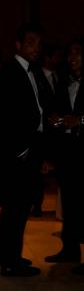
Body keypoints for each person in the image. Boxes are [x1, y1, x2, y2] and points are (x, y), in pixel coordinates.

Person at [0, 23, 53, 276]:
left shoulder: (36, 71)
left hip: (32, 147)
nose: (36, 48)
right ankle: (10, 261)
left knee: (20, 206)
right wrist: (20, 151)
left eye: (39, 44)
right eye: (30, 43)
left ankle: (6, 253)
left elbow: (41, 107)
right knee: (15, 207)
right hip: (17, 152)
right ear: (18, 45)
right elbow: (4, 116)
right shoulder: (8, 72)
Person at [45, 38, 84, 271]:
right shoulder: (62, 82)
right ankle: (70, 250)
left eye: (78, 52)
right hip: (68, 150)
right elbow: (55, 111)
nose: (72, 57)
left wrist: (81, 120)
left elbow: (79, 117)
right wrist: (55, 120)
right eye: (70, 53)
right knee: (69, 202)